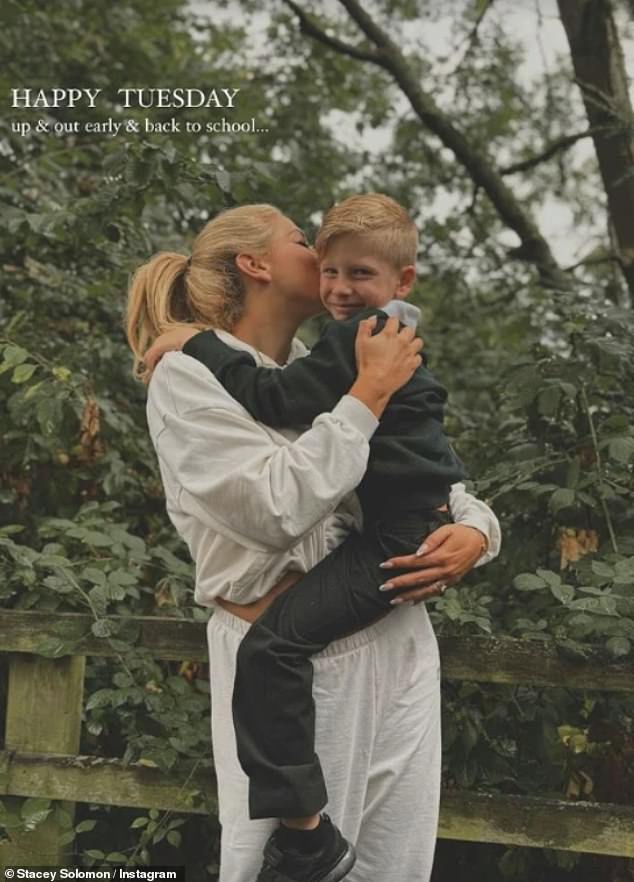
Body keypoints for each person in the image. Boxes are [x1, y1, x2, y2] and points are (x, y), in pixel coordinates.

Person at [128, 202, 501, 882]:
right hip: (297, 662)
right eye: (304, 240)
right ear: (257, 264)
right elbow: (276, 509)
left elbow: (419, 464)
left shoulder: (323, 359)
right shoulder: (190, 377)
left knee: (394, 868)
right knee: (285, 870)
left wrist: (478, 528)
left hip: (393, 634)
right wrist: (368, 393)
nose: (322, 256)